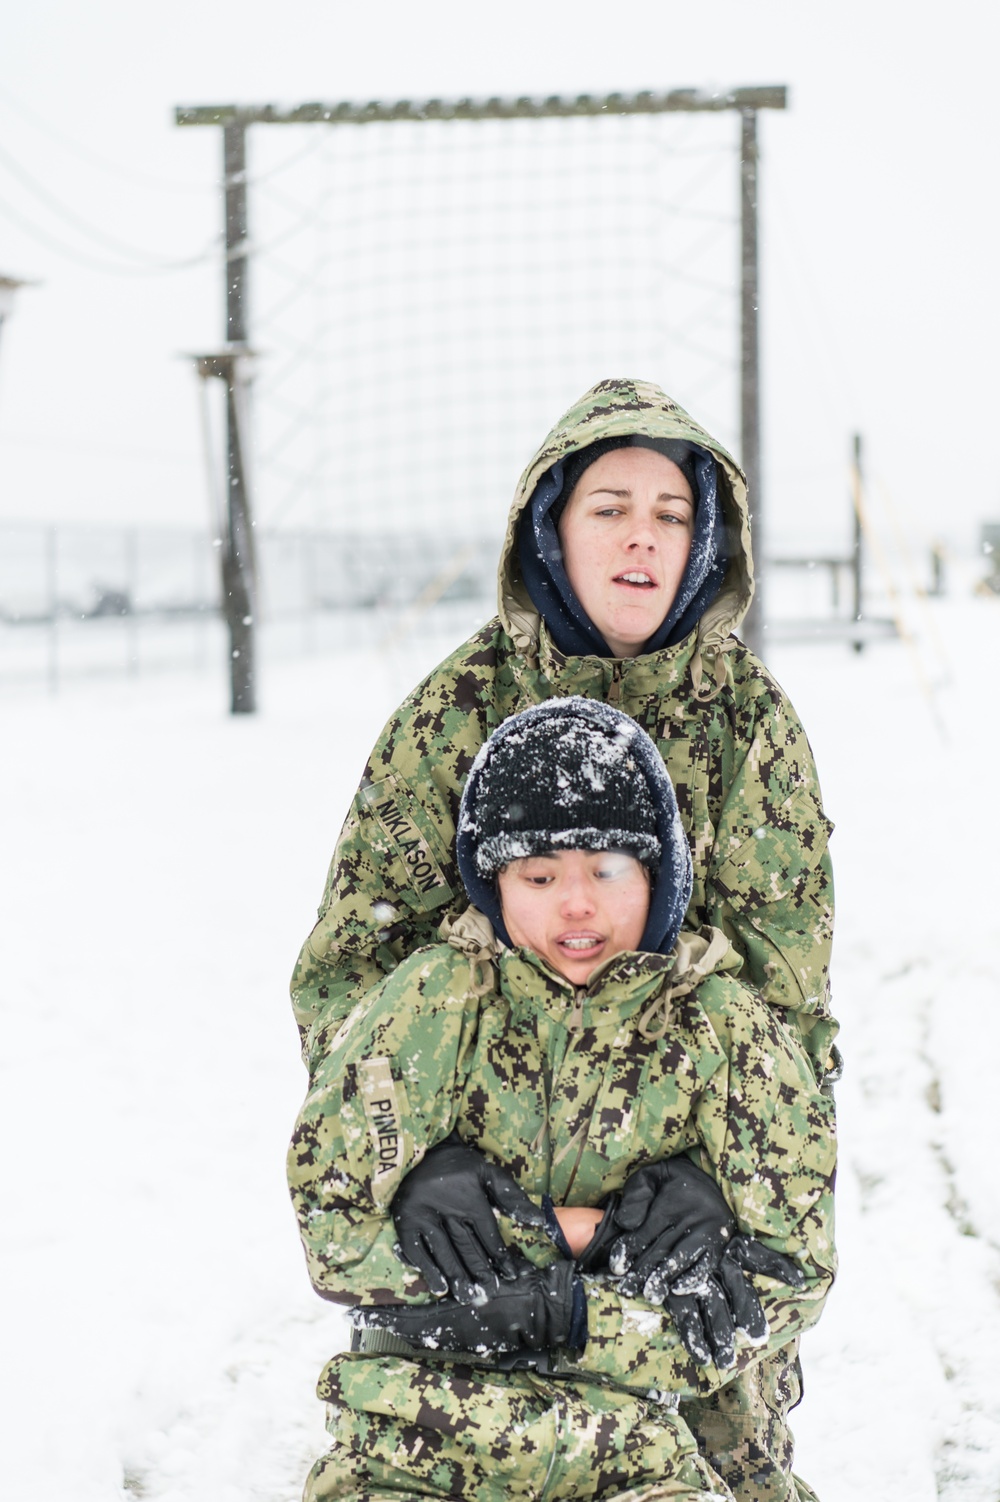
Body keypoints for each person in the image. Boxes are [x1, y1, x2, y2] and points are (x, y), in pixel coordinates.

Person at [288, 700, 836, 1502]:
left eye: (609, 870)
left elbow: (791, 1271)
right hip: (419, 1447)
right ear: (495, 882)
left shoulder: (721, 1032)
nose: (577, 904)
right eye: (540, 876)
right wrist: (579, 1241)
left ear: (660, 875)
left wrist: (567, 1319)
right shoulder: (432, 1005)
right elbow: (332, 1225)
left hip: (650, 1448)